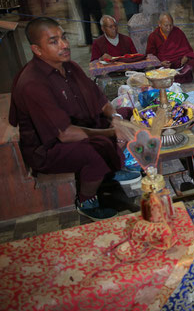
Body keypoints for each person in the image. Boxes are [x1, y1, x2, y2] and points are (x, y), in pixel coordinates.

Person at [8, 18, 131, 220]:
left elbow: (99, 100)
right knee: (97, 150)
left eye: (63, 37)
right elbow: (64, 134)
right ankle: (86, 201)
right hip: (49, 148)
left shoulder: (70, 66)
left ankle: (110, 170)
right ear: (37, 50)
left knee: (126, 113)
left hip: (79, 125)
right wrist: (111, 132)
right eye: (54, 41)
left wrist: (116, 119)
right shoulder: (33, 83)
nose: (64, 45)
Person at [146, 12, 194, 83]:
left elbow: (188, 49)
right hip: (164, 66)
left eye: (171, 25)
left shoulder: (178, 32)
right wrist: (160, 63)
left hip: (179, 63)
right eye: (166, 25)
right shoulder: (153, 36)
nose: (169, 28)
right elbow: (150, 56)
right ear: (159, 24)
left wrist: (186, 56)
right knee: (157, 73)